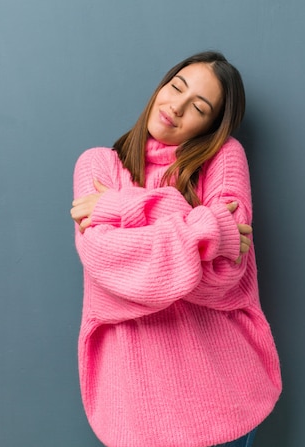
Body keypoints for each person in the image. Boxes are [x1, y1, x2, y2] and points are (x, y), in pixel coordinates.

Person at [70, 51, 281, 447]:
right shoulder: (98, 165)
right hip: (136, 407)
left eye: (198, 107)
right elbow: (103, 259)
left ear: (212, 126)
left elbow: (225, 276)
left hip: (226, 396)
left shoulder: (224, 157)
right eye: (176, 87)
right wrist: (207, 226)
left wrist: (121, 207)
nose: (176, 107)